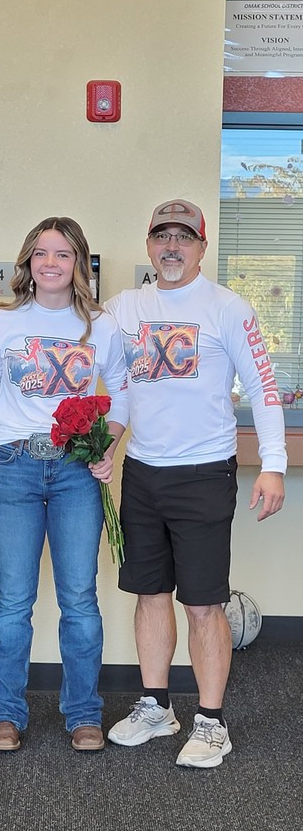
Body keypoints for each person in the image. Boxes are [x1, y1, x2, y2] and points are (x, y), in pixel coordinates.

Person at [104, 198, 286, 768]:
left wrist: (274, 464)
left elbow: (263, 387)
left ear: (203, 247)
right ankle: (157, 708)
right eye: (162, 236)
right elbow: (69, 330)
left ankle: (211, 722)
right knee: (149, 594)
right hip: (143, 474)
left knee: (204, 603)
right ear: (150, 244)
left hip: (204, 473)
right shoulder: (125, 307)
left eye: (185, 237)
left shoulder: (228, 308)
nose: (172, 246)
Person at [0, 216, 128, 752]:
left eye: (62, 254)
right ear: (27, 262)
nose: (50, 263)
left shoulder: (100, 325)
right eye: (41, 253)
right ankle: (5, 715)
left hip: (74, 473)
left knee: (80, 599)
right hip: (14, 468)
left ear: (79, 263)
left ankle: (84, 713)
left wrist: (100, 449)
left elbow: (124, 399)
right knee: (13, 599)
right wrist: (24, 428)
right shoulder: (5, 323)